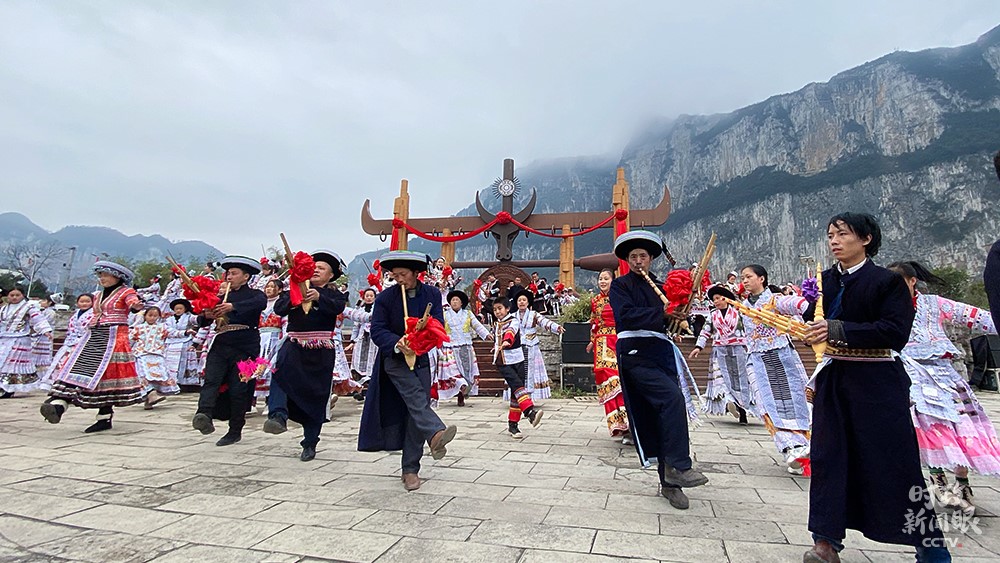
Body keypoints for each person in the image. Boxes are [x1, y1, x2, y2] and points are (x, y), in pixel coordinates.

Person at [802, 213, 949, 563]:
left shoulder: (887, 282)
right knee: (828, 457)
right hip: (834, 380)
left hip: (877, 383)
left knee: (894, 462)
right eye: (830, 235)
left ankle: (931, 548)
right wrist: (808, 322)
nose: (834, 241)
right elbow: (814, 325)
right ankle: (825, 542)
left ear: (866, 239)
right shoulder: (824, 281)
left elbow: (894, 333)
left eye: (842, 234)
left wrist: (838, 329)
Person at [888, 260, 1000, 516]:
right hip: (912, 372)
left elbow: (975, 317)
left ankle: (963, 482)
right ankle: (938, 480)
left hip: (944, 372)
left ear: (912, 281)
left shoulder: (934, 304)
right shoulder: (885, 306)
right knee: (929, 425)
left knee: (962, 425)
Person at [609, 230, 708, 511]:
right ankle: (680, 466)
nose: (638, 261)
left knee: (666, 412)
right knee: (672, 399)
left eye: (642, 256)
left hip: (661, 353)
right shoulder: (620, 286)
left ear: (651, 258)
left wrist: (682, 313)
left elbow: (673, 321)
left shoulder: (662, 287)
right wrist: (661, 313)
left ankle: (670, 483)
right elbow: (625, 316)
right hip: (635, 353)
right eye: (633, 257)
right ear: (627, 260)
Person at [358, 250, 457, 492]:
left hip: (421, 358)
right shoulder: (385, 298)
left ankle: (410, 469)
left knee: (416, 409)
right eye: (395, 275)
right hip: (394, 360)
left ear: (415, 273)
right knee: (416, 397)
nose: (399, 279)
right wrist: (397, 342)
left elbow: (437, 324)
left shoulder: (432, 294)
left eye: (403, 274)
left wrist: (420, 338)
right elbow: (378, 329)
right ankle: (435, 432)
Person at [264, 250, 348, 461]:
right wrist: (295, 298)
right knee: (280, 375)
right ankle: (277, 416)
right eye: (314, 267)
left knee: (316, 395)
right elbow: (279, 309)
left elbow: (337, 307)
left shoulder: (334, 294)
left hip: (321, 349)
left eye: (322, 268)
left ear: (331, 275)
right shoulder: (294, 288)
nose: (316, 270)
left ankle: (310, 442)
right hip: (294, 344)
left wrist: (318, 297)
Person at [42, 261, 145, 432]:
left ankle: (103, 417)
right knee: (78, 365)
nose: (102, 278)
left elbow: (133, 303)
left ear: (117, 277)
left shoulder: (126, 292)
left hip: (114, 338)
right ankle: (59, 403)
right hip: (94, 335)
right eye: (100, 275)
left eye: (105, 275)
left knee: (105, 378)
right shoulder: (98, 295)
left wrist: (136, 305)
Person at [738, 264, 812, 474]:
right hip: (757, 359)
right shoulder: (744, 306)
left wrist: (810, 310)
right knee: (766, 404)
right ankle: (789, 447)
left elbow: (798, 305)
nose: (745, 281)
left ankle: (803, 446)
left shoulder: (775, 300)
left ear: (761, 278)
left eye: (748, 276)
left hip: (782, 357)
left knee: (796, 401)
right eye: (742, 278)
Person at [191, 256, 267, 446]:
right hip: (221, 343)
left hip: (247, 345)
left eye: (234, 273)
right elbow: (203, 321)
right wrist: (207, 314)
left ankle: (235, 430)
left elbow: (260, 304)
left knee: (239, 388)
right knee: (211, 380)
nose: (229, 277)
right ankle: (204, 414)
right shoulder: (221, 297)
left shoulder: (256, 295)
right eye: (228, 273)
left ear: (246, 276)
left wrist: (233, 307)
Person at [689, 284, 752, 423]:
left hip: (739, 348)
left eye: (718, 298)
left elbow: (749, 329)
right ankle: (730, 402)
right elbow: (705, 331)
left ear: (726, 299)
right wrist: (699, 346)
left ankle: (742, 408)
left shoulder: (739, 313)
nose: (716, 301)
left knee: (741, 378)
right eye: (714, 299)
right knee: (722, 378)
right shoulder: (713, 315)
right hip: (720, 349)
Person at [587, 268, 630, 442]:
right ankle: (620, 424)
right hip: (602, 343)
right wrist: (592, 340)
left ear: (613, 280)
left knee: (622, 381)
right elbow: (594, 322)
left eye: (606, 278)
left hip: (619, 340)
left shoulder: (621, 297)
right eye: (600, 279)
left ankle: (630, 423)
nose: (602, 281)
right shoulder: (595, 301)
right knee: (611, 381)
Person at [492, 297, 543, 438]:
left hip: (518, 359)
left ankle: (513, 425)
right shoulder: (497, 324)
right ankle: (529, 412)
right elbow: (498, 339)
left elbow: (511, 332)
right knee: (517, 386)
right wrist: (497, 346)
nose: (497, 312)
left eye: (500, 308)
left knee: (516, 392)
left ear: (507, 309)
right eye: (495, 309)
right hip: (502, 361)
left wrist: (507, 341)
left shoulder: (513, 321)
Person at [436, 289, 491, 407]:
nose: (455, 302)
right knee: (453, 371)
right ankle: (459, 390)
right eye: (453, 300)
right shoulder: (444, 314)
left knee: (466, 371)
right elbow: (438, 328)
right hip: (449, 347)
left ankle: (461, 395)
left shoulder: (468, 314)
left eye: (457, 300)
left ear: (461, 303)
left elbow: (477, 325)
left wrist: (486, 334)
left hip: (465, 346)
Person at [0, 287, 53, 398]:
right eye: (12, 295)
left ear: (23, 295)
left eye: (17, 295)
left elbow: (38, 319)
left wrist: (46, 330)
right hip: (4, 338)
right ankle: (3, 386)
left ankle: (10, 388)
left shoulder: (29, 307)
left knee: (12, 364)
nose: (14, 297)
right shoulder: (4, 308)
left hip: (20, 339)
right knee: (3, 363)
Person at [42, 294, 94, 390]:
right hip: (70, 342)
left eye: (87, 301)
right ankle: (58, 383)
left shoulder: (94, 314)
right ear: (77, 303)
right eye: (82, 301)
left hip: (85, 343)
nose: (84, 304)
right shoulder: (75, 314)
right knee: (61, 362)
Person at [130, 307, 178, 409]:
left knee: (158, 377)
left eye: (155, 316)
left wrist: (186, 332)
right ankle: (151, 393)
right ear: (145, 316)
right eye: (150, 315)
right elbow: (130, 340)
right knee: (144, 375)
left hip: (158, 355)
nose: (152, 318)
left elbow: (174, 333)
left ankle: (149, 400)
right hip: (142, 355)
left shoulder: (162, 327)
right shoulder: (138, 328)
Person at [255, 279, 286, 409]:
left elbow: (285, 325)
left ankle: (270, 402)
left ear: (280, 290)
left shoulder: (282, 305)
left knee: (271, 368)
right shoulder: (260, 304)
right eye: (267, 286)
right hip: (259, 338)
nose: (268, 289)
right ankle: (251, 401)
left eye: (272, 287)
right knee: (254, 368)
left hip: (274, 339)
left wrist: (282, 340)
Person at [345, 287, 378, 396]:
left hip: (373, 341)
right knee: (358, 363)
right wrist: (353, 340)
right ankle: (359, 389)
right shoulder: (360, 311)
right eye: (367, 296)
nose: (369, 298)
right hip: (361, 339)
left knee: (371, 363)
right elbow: (356, 327)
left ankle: (369, 390)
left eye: (371, 296)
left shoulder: (377, 310)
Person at [164, 299, 199, 387]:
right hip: (171, 343)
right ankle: (172, 382)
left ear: (185, 309)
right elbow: (168, 331)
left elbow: (197, 320)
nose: (178, 310)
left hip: (185, 342)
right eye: (176, 309)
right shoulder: (169, 320)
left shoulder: (189, 317)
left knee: (185, 362)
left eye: (180, 308)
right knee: (170, 363)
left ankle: (187, 383)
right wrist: (184, 332)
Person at [30, 295, 57, 371]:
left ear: (50, 302)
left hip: (45, 335)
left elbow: (42, 323)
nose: (41, 302)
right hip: (39, 334)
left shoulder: (50, 312)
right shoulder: (44, 311)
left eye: (44, 300)